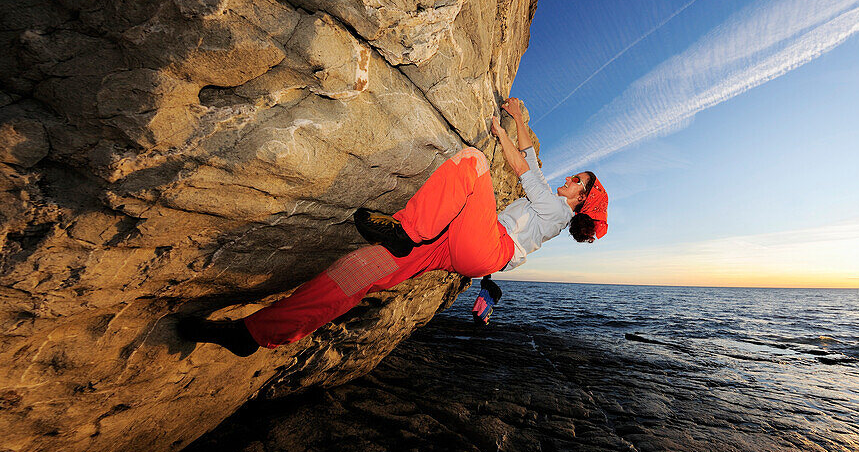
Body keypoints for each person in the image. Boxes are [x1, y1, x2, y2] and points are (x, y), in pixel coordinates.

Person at [178, 97, 609, 356]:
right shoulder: (554, 203)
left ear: (581, 200)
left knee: (473, 163)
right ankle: (253, 333)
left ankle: (405, 230)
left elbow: (522, 169)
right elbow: (532, 155)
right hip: (453, 243)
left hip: (487, 248)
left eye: (579, 181)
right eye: (577, 176)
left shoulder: (558, 213)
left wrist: (498, 132)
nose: (571, 178)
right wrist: (516, 116)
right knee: (358, 271)